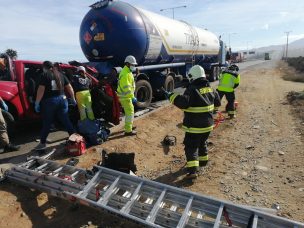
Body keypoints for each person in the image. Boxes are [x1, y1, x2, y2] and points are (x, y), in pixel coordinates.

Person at [166, 65, 221, 179]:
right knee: (202, 143)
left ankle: (193, 171)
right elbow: (218, 102)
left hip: (194, 126)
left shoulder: (192, 89)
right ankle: (203, 161)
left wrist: (171, 96)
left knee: (191, 146)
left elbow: (183, 103)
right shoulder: (210, 88)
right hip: (208, 126)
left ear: (192, 76)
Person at [34, 61, 76, 150]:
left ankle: (42, 143)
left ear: (45, 67)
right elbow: (69, 87)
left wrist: (37, 102)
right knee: (66, 121)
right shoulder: (60, 74)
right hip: (63, 99)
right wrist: (73, 98)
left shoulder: (44, 75)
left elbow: (41, 89)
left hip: (49, 102)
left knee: (47, 123)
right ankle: (75, 139)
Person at [117, 55, 137, 136]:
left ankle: (129, 126)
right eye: (133, 65)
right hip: (126, 97)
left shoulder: (127, 71)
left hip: (126, 97)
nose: (134, 66)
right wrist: (132, 97)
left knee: (130, 112)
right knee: (130, 113)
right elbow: (127, 88)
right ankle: (128, 130)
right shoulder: (125, 73)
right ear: (128, 64)